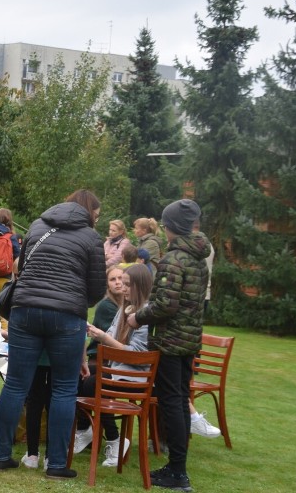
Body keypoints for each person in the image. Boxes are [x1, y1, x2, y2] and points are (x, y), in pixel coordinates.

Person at [0, 189, 106, 479]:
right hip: (67, 315)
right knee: (64, 388)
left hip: (25, 310)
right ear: (88, 211)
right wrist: (78, 301)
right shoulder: (91, 238)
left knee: (16, 384)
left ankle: (2, 455)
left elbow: (23, 269)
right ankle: (56, 464)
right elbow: (96, 287)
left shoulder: (38, 226)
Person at [126, 199, 211, 492]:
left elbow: (165, 304)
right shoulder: (198, 257)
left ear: (170, 226)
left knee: (172, 403)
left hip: (170, 342)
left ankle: (177, 472)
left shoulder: (175, 259)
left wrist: (137, 317)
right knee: (180, 400)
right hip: (189, 341)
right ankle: (177, 467)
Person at [74, 264, 153, 468]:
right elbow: (110, 334)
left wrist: (105, 339)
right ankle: (85, 430)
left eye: (127, 284)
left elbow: (138, 355)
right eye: (121, 283)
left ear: (140, 286)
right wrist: (96, 332)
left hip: (136, 377)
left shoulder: (146, 314)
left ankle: (114, 439)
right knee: (76, 377)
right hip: (118, 371)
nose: (123, 288)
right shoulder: (124, 309)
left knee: (94, 384)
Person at [85, 266, 125, 364]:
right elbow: (118, 337)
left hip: (118, 356)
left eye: (120, 278)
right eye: (112, 279)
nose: (117, 282)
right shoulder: (106, 306)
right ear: (107, 285)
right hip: (101, 359)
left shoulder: (128, 303)